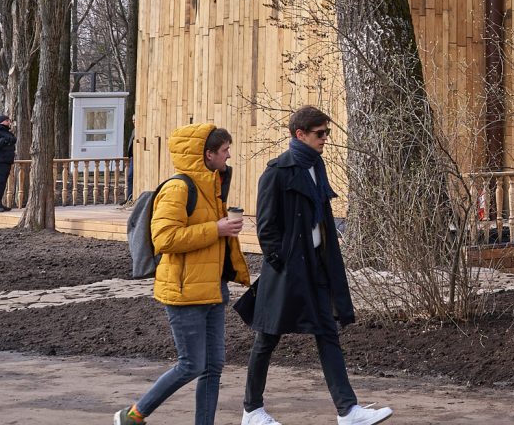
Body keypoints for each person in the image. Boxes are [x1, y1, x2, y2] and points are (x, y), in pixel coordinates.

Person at [236, 106, 391, 425]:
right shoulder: (277, 172)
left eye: (327, 133)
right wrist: (282, 261)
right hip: (287, 271)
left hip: (317, 267)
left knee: (327, 332)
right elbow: (266, 227)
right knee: (267, 337)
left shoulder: (315, 165)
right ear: (300, 135)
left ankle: (348, 411)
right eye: (320, 134)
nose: (325, 139)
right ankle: (252, 410)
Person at [114, 123, 249, 425]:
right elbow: (165, 239)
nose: (229, 156)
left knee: (213, 366)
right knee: (191, 365)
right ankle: (133, 415)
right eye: (225, 150)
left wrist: (226, 232)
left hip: (213, 288)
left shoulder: (213, 188)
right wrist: (216, 229)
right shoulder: (178, 188)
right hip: (184, 291)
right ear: (208, 153)